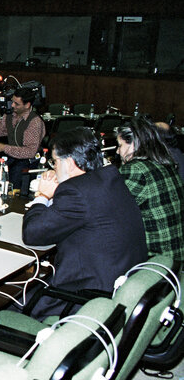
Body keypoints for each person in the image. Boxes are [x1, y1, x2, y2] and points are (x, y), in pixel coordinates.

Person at [23, 127, 147, 318]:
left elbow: (32, 234)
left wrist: (43, 195)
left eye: (55, 162)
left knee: (12, 301)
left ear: (70, 163)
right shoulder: (109, 179)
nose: (53, 167)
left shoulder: (75, 191)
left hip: (87, 298)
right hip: (118, 283)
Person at [116, 117, 184, 263]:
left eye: (120, 145)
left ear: (133, 144)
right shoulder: (165, 163)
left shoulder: (135, 170)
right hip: (176, 257)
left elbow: (110, 208)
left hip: (156, 261)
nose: (117, 151)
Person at [0, 87, 46, 189]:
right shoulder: (10, 115)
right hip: (12, 157)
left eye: (17, 104)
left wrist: (3, 148)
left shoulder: (34, 122)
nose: (13, 105)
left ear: (27, 105)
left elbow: (30, 152)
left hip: (28, 162)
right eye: (12, 102)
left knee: (13, 184)